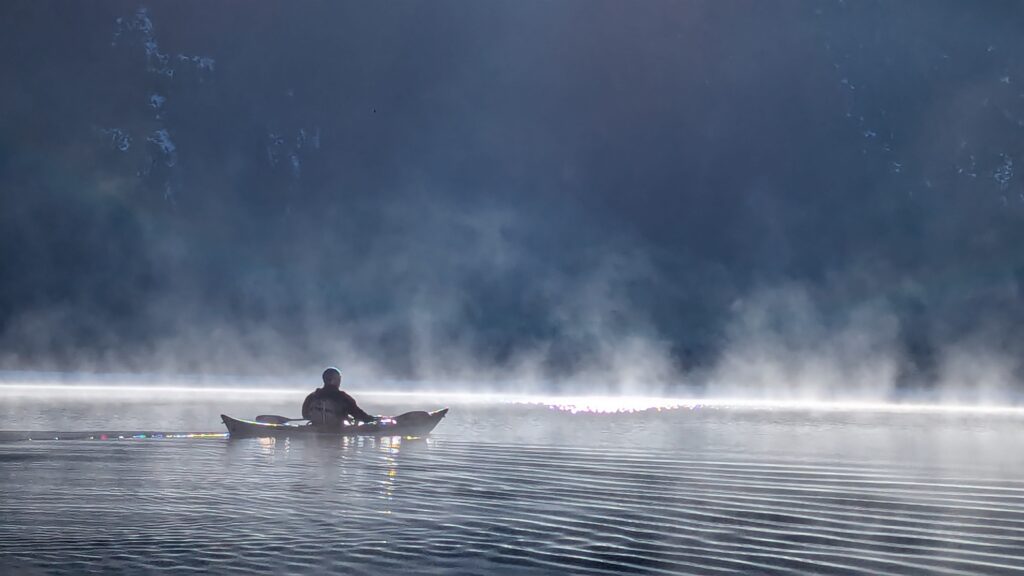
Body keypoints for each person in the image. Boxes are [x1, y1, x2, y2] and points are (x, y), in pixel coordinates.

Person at [302, 367, 377, 428]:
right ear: (334, 380)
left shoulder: (312, 396)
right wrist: (371, 419)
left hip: (315, 429)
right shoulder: (343, 397)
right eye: (339, 379)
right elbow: (358, 414)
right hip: (337, 430)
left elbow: (305, 415)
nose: (340, 382)